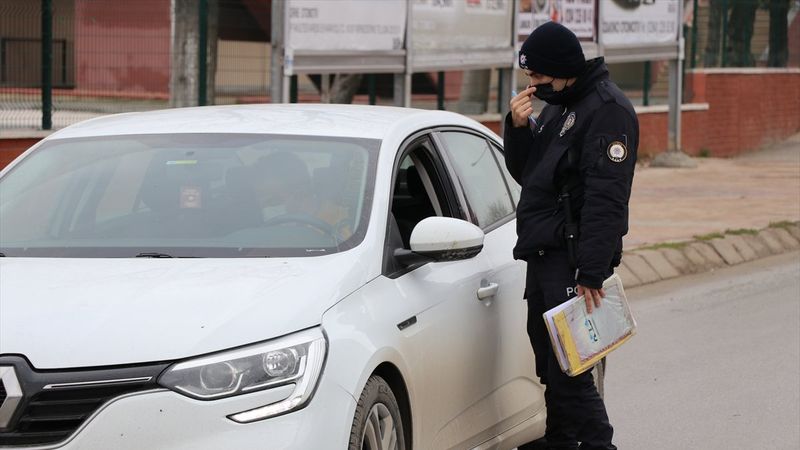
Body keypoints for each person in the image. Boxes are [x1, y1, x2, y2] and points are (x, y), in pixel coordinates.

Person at [505, 22, 638, 450]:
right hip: (544, 254)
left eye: (538, 76)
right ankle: (559, 441)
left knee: (573, 371)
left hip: (573, 257)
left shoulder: (607, 110)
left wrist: (591, 270)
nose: (533, 85)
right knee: (551, 364)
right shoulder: (559, 106)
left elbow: (607, 197)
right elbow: (531, 175)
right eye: (528, 77)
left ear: (563, 70)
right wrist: (517, 128)